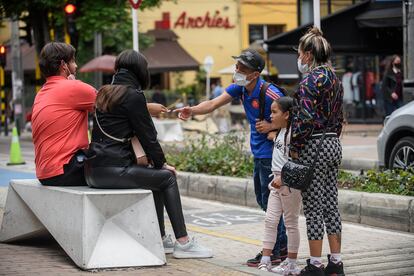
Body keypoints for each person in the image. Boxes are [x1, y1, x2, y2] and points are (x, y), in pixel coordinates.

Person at [84, 49, 212, 259]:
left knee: (156, 177)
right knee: (167, 178)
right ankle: (184, 243)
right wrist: (162, 163)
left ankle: (160, 238)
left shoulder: (104, 92)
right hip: (115, 169)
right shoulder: (133, 96)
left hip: (93, 170)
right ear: (140, 71)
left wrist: (157, 165)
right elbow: (148, 137)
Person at [175, 49, 288, 266]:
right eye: (237, 66)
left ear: (255, 74)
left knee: (269, 202)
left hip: (271, 154)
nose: (237, 71)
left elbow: (295, 115)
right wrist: (193, 111)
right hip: (259, 152)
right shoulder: (240, 88)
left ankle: (275, 249)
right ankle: (279, 245)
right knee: (263, 199)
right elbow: (213, 103)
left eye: (242, 68)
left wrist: (273, 126)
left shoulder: (271, 92)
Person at [290, 27, 344, 276]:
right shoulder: (335, 79)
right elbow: (340, 116)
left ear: (309, 54)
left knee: (313, 207)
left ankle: (315, 265)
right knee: (331, 204)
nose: (299, 58)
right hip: (333, 144)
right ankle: (336, 262)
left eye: (300, 53)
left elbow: (305, 119)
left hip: (315, 145)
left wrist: (295, 148)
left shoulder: (310, 81)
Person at [32, 42, 96, 186]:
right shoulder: (74, 88)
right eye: (73, 61)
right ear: (63, 65)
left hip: (44, 173)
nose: (76, 66)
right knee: (117, 163)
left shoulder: (42, 92)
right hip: (66, 170)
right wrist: (148, 108)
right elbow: (116, 105)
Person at [258, 97, 302, 275]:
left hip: (288, 184)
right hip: (275, 182)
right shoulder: (281, 131)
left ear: (287, 114)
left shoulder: (293, 134)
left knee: (291, 223)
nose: (270, 115)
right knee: (270, 221)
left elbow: (296, 161)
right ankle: (265, 260)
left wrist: (283, 178)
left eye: (274, 112)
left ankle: (291, 263)